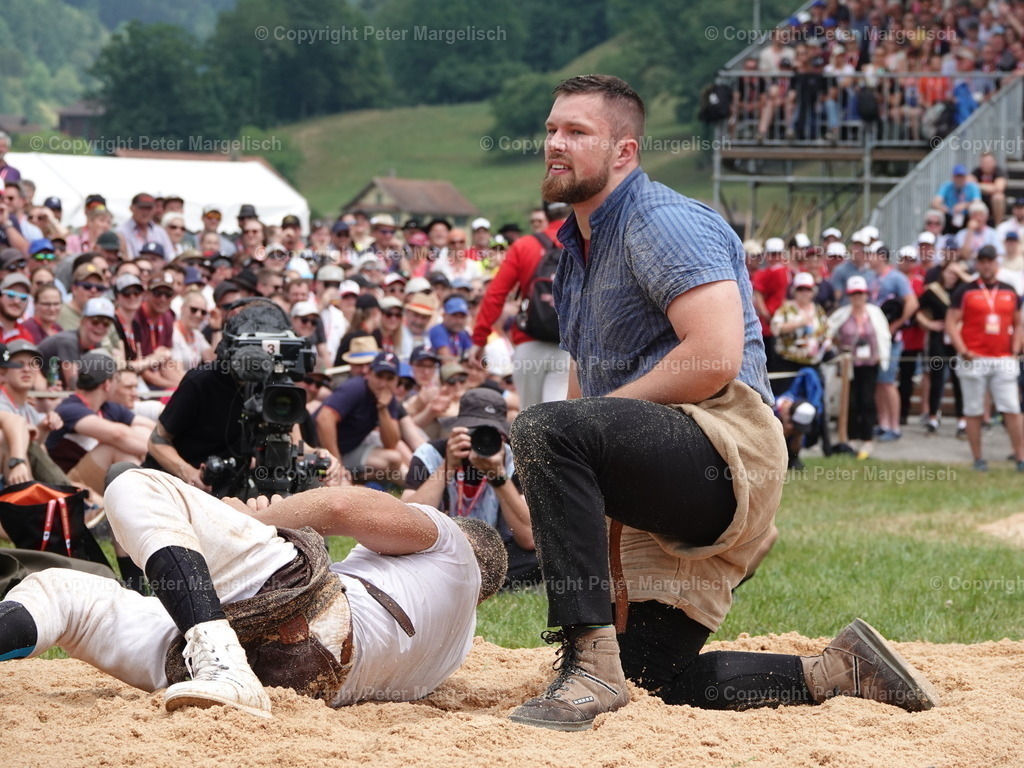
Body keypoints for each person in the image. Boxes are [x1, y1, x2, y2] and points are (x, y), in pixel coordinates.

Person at [506, 75, 935, 732]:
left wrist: (574, 434)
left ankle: (588, 666)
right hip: (659, 456)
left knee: (545, 428)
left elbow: (714, 354)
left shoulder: (661, 221)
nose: (554, 144)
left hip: (723, 441)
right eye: (550, 129)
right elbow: (582, 386)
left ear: (624, 151)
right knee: (655, 679)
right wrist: (579, 457)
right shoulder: (572, 250)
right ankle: (838, 670)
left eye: (576, 132)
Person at [0, 466, 507, 716]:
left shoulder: (452, 544)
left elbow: (341, 510)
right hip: (296, 680)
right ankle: (221, 657)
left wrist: (257, 519)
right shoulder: (453, 649)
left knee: (133, 486)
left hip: (309, 613)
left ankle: (219, 658)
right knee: (61, 590)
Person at [403, 387, 539, 589]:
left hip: (494, 555)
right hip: (440, 550)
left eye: (490, 433)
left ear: (502, 435)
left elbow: (529, 538)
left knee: (542, 555)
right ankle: (476, 584)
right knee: (403, 552)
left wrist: (498, 477)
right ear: (457, 429)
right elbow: (405, 524)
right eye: (474, 431)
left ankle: (456, 584)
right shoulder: (431, 453)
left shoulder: (512, 458)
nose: (482, 440)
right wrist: (447, 466)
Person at [468, 202, 571, 409]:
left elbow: (495, 294)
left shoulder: (525, 245)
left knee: (530, 423)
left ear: (546, 214)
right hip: (569, 346)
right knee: (558, 423)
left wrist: (479, 338)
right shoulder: (585, 242)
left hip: (528, 343)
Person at [945, 246, 1024, 471]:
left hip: (1002, 358)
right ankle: (978, 458)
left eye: (990, 261)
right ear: (977, 264)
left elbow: (1018, 322)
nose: (987, 265)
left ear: (996, 263)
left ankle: (1020, 457)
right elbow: (951, 322)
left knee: (1011, 408)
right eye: (983, 261)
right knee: (973, 410)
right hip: (975, 357)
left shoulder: (1010, 291)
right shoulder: (965, 291)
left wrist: (1016, 348)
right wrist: (963, 349)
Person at [45, 352, 155, 495]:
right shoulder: (69, 408)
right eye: (117, 379)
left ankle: (151, 493)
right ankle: (149, 495)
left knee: (139, 431)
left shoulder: (108, 406)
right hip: (67, 485)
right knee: (113, 446)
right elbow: (118, 435)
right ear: (108, 384)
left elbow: (149, 427)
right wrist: (163, 454)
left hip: (91, 480)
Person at [827, 276, 892, 460]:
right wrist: (837, 348)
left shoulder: (874, 312)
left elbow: (883, 335)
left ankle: (867, 437)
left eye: (861, 294)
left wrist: (881, 354)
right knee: (851, 401)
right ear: (849, 295)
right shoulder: (842, 313)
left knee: (868, 400)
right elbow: (828, 331)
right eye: (854, 294)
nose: (858, 297)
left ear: (866, 295)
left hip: (870, 363)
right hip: (849, 364)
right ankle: (852, 437)